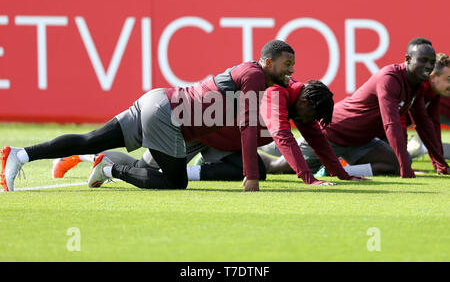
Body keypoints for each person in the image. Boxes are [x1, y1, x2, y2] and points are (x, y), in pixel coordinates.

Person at [1, 39, 295, 192]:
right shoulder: (256, 76)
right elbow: (246, 126)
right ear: (268, 61)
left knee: (90, 139)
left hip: (159, 100)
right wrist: (251, 176)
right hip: (170, 119)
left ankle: (20, 154)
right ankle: (109, 169)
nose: (291, 70)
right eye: (287, 64)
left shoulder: (253, 72)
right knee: (174, 183)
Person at [52, 79, 368, 186]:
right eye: (313, 114)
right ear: (306, 103)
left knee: (256, 168)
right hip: (197, 133)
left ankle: (97, 161)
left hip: (223, 142)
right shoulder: (277, 96)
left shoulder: (302, 105)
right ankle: (88, 157)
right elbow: (283, 138)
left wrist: (343, 176)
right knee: (146, 169)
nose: (312, 120)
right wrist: (308, 177)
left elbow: (317, 139)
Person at [259, 37, 450, 178]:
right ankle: (246, 154)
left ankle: (335, 170)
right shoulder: (389, 78)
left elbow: (424, 123)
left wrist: (440, 164)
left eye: (431, 62)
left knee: (398, 162)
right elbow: (390, 124)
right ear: (408, 59)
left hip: (362, 142)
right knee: (278, 167)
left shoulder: (416, 86)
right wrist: (407, 172)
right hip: (332, 133)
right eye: (423, 60)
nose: (428, 66)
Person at [404, 52, 450, 162]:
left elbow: (433, 125)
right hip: (367, 134)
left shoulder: (434, 93)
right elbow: (395, 122)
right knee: (395, 162)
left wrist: (439, 164)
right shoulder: (417, 88)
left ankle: (419, 147)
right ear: (433, 77)